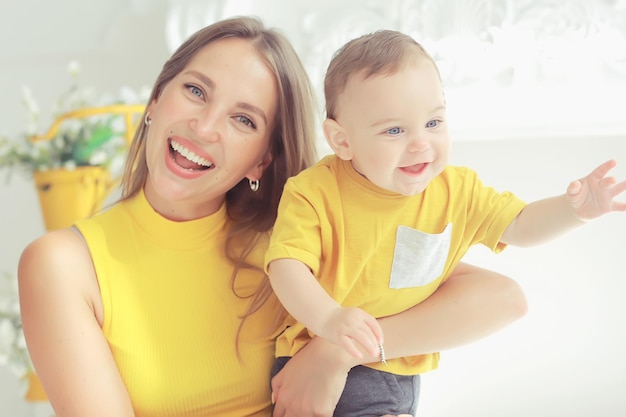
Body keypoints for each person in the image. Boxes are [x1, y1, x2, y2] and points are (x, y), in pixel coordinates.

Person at [18, 16, 527, 417]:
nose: (205, 126)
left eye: (244, 119)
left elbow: (500, 298)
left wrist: (337, 351)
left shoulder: (294, 244)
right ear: (155, 101)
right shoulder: (64, 265)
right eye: (195, 90)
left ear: (263, 159)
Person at [265, 29, 626, 416]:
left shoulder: (456, 189)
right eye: (394, 130)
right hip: (321, 365)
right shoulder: (314, 191)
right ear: (342, 140)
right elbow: (287, 267)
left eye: (433, 123)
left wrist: (573, 211)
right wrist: (330, 318)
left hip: (401, 366)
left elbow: (520, 224)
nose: (421, 144)